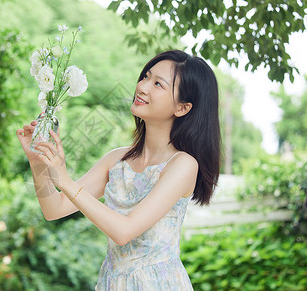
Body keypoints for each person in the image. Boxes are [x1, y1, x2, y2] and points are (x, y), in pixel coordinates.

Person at [16, 50, 221, 290]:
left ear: (182, 108)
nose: (142, 87)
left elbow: (124, 231)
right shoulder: (116, 160)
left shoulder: (183, 164)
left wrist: (65, 180)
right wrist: (37, 161)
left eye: (158, 84)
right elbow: (54, 209)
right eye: (145, 76)